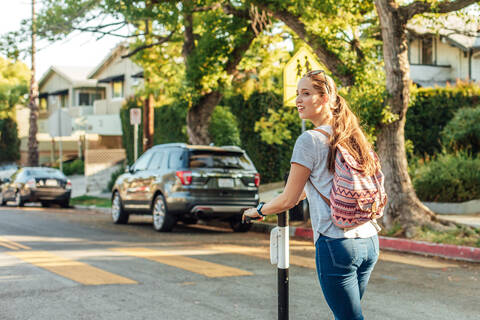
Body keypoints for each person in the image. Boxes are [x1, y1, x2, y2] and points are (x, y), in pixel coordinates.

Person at [243, 70, 380, 320]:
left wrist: (258, 210)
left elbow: (288, 199)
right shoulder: (352, 135)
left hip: (336, 243)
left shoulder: (309, 140)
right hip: (369, 239)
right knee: (347, 316)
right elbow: (314, 189)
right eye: (297, 94)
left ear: (325, 97)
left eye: (306, 94)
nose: (298, 100)